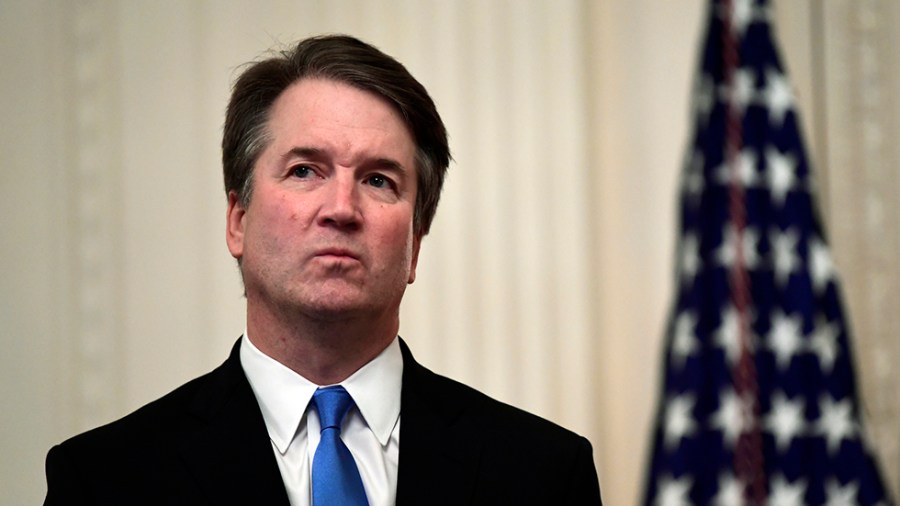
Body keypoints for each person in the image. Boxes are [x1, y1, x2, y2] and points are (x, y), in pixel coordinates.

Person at [43, 34, 603, 505]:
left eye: (379, 180)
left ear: (415, 241)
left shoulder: (544, 474)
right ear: (238, 219)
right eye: (305, 170)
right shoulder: (103, 479)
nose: (341, 208)